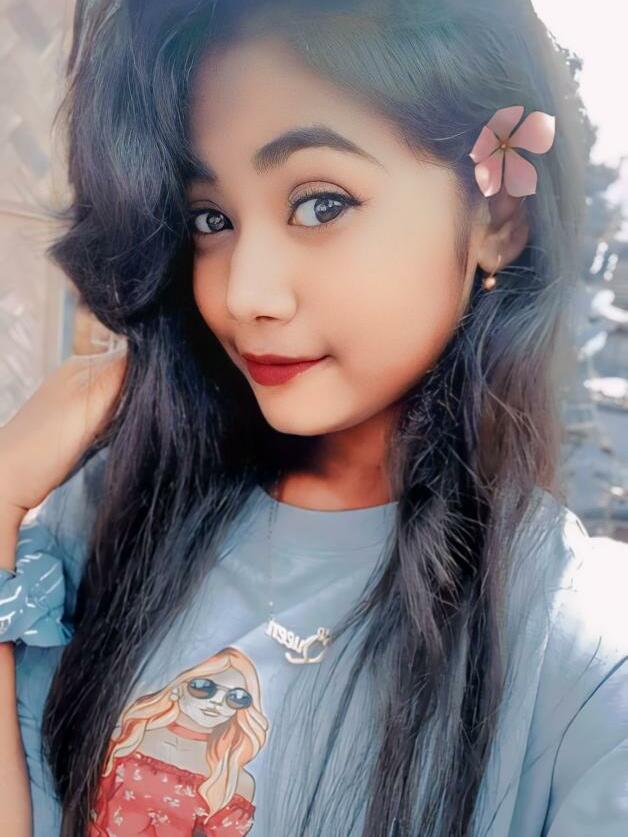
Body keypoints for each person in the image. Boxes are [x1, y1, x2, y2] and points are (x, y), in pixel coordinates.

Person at [0, 0, 626, 835]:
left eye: (320, 204)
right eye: (211, 219)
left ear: (498, 219)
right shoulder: (109, 520)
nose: (245, 293)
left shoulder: (578, 654)